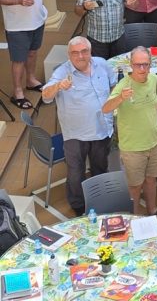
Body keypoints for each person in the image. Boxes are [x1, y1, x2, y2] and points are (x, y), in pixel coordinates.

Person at [42, 36, 115, 216]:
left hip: (101, 129)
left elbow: (114, 85)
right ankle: (78, 206)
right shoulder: (62, 72)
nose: (80, 56)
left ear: (90, 51)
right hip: (75, 134)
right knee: (76, 172)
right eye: (75, 53)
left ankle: (101, 200)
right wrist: (58, 86)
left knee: (100, 167)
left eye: (84, 51)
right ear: (69, 55)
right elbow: (45, 95)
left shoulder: (102, 64)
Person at [102, 47, 157, 219]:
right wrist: (120, 98)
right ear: (131, 64)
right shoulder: (123, 85)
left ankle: (152, 210)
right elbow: (106, 108)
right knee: (135, 187)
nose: (142, 69)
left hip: (155, 141)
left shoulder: (154, 79)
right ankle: (134, 218)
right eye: (138, 65)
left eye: (146, 64)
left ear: (150, 64)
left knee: (151, 180)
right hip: (133, 148)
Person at [0, 0, 47, 109]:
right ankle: (17, 92)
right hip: (17, 25)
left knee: (33, 52)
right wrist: (19, 1)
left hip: (37, 18)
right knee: (18, 59)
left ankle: (31, 80)